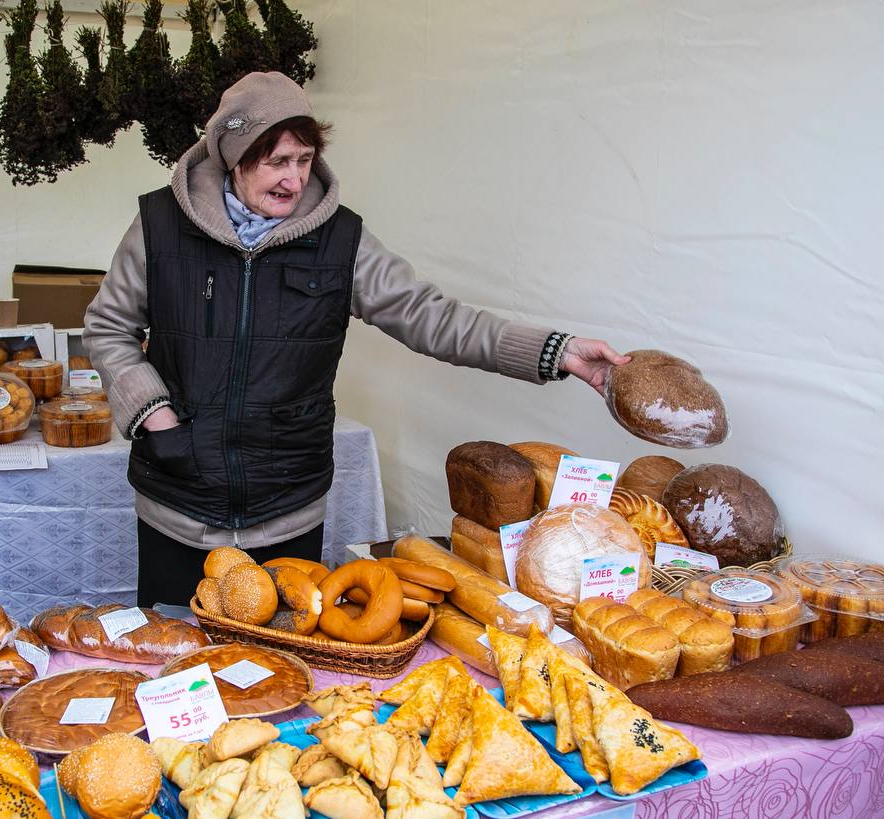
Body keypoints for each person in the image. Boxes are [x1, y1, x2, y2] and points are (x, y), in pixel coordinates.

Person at [84, 72, 629, 607]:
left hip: (287, 502)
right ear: (233, 155)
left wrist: (554, 350)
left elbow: (429, 316)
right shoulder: (160, 224)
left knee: (283, 670)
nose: (293, 180)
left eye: (302, 161)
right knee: (173, 664)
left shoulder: (340, 238)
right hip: (178, 499)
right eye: (276, 162)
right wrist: (157, 419)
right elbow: (109, 327)